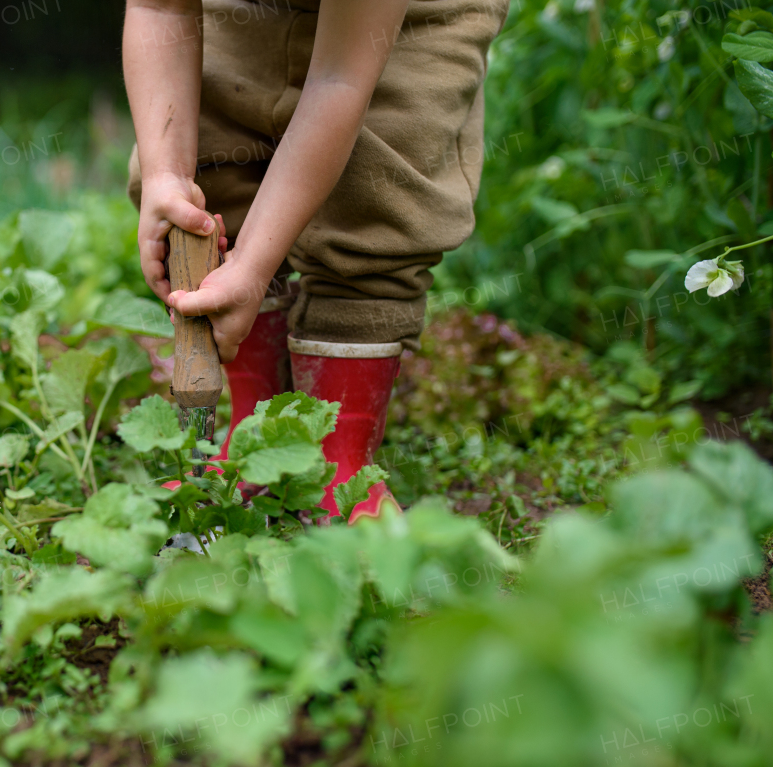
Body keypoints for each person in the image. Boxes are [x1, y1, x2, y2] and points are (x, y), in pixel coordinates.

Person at [123, 0, 509, 521]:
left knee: (376, 200)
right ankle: (256, 436)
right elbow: (159, 8)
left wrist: (254, 266)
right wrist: (165, 175)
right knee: (215, 159)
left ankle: (341, 459)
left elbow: (340, 79)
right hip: (244, 10)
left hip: (402, 25)